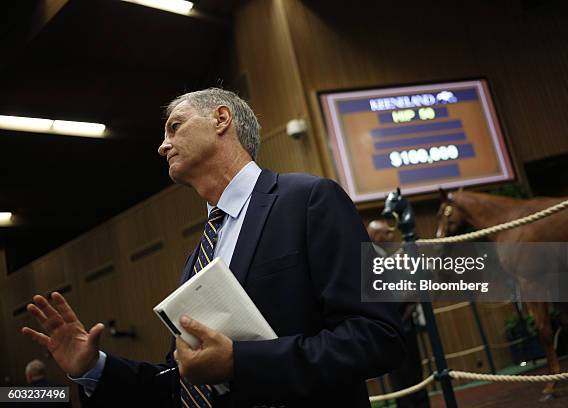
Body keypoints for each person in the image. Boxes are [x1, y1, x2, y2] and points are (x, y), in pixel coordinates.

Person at [22, 88, 407, 407]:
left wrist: (241, 362)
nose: (162, 146)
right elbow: (183, 382)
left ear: (221, 119)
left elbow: (376, 337)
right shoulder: (196, 261)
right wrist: (95, 367)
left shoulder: (309, 200)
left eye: (175, 127)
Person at [367, 220, 430, 408]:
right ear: (377, 237)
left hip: (403, 325)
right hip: (394, 328)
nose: (391, 236)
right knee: (404, 378)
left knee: (413, 376)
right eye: (387, 233)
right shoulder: (372, 260)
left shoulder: (382, 257)